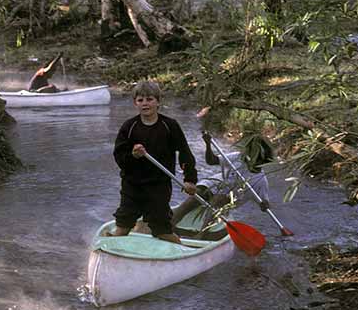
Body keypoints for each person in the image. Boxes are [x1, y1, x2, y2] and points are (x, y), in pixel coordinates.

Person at [107, 81, 198, 243]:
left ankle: (182, 251)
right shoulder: (129, 126)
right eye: (140, 100)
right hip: (132, 185)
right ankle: (111, 250)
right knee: (123, 226)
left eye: (149, 99)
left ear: (158, 101)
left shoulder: (169, 125)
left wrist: (190, 180)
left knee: (162, 230)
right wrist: (133, 155)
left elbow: (185, 154)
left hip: (159, 185)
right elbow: (119, 157)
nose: (145, 104)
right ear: (135, 103)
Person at [171, 131, 275, 228]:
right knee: (194, 197)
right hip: (212, 185)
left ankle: (201, 235)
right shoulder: (238, 157)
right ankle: (168, 226)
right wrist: (208, 144)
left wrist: (265, 205)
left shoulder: (261, 180)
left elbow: (264, 203)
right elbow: (211, 161)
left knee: (218, 201)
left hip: (227, 198)